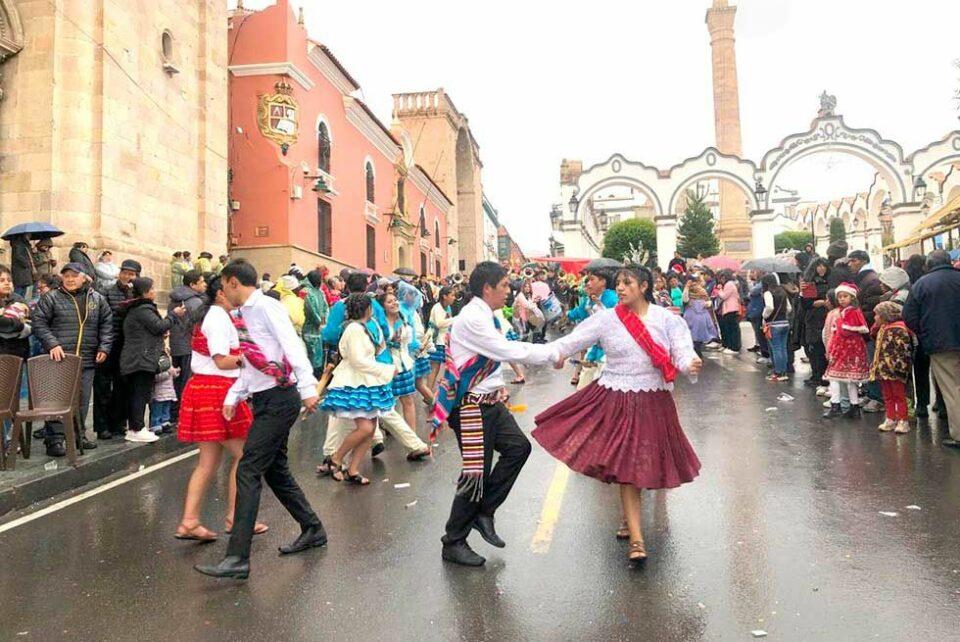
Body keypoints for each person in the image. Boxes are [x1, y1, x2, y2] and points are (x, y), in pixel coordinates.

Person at [532, 264, 702, 562]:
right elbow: (571, 342)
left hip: (654, 400)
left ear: (644, 286)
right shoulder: (606, 320)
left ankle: (629, 517)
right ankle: (637, 538)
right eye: (619, 283)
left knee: (645, 462)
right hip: (617, 399)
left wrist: (690, 363)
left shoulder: (667, 320)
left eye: (627, 283)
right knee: (629, 464)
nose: (620, 288)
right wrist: (548, 354)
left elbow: (682, 351)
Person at [194, 260, 325, 580]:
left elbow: (290, 346)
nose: (221, 292)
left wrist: (308, 387)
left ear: (234, 282)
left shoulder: (266, 308)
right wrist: (234, 395)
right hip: (266, 399)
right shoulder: (243, 315)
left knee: (249, 468)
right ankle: (313, 528)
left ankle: (237, 556)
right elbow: (255, 361)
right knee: (275, 471)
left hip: (281, 400)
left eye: (223, 286)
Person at [433, 262, 562, 567]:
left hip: (490, 401)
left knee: (518, 448)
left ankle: (484, 512)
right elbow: (508, 350)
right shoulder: (472, 319)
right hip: (471, 406)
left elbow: (498, 354)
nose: (509, 290)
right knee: (475, 473)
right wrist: (554, 352)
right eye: (504, 285)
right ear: (487, 288)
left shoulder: (486, 315)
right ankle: (453, 540)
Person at [176, 275, 260, 543]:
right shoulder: (218, 318)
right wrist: (252, 360)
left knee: (208, 462)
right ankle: (235, 517)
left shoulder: (214, 316)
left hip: (205, 389)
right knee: (244, 456)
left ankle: (190, 520)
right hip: (218, 391)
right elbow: (223, 361)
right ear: (221, 293)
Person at [32, 263, 113, 456]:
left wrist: (104, 347)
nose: (69, 279)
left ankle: (78, 435)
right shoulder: (51, 297)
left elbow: (106, 324)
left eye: (74, 275)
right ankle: (55, 439)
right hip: (59, 359)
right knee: (58, 401)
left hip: (86, 359)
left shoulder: (97, 299)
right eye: (66, 275)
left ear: (84, 277)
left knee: (82, 400)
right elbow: (39, 322)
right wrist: (52, 343)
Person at [319, 294, 400, 485]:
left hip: (365, 382)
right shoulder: (354, 329)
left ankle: (353, 469)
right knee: (365, 428)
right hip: (354, 383)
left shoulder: (362, 327)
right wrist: (386, 369)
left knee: (370, 429)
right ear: (367, 309)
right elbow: (358, 361)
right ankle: (336, 459)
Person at [903, 250, 960, 447]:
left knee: (952, 388)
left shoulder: (921, 284)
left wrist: (924, 333)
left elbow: (909, 315)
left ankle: (959, 434)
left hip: (940, 343)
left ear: (928, 265)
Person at [119, 277, 184, 443]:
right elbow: (158, 326)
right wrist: (173, 315)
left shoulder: (138, 309)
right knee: (139, 394)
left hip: (138, 358)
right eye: (152, 288)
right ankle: (136, 428)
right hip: (141, 359)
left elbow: (152, 330)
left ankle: (136, 427)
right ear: (145, 292)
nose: (154, 291)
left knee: (138, 394)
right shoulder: (143, 310)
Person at [92, 259, 140, 440]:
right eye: (125, 272)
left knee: (123, 387)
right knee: (103, 387)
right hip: (108, 343)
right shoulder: (107, 292)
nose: (127, 276)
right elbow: (103, 318)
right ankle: (102, 426)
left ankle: (118, 423)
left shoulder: (136, 294)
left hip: (127, 346)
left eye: (132, 274)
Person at [566, 264, 619, 390]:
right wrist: (567, 315)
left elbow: (613, 324)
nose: (588, 283)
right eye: (587, 280)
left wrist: (598, 304)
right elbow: (580, 312)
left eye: (591, 279)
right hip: (595, 346)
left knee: (600, 387)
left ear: (603, 282)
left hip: (609, 350)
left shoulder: (612, 298)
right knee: (583, 385)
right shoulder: (589, 299)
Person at [823, 283, 870, 419]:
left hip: (847, 349)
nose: (842, 299)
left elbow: (845, 331)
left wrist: (840, 326)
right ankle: (853, 407)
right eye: (840, 297)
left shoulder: (851, 312)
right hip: (845, 349)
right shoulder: (845, 312)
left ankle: (836, 405)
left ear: (852, 297)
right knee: (849, 380)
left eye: (845, 296)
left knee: (835, 377)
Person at [847, 250, 885, 413]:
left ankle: (877, 397)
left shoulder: (871, 280)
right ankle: (871, 394)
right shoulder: (864, 279)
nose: (850, 264)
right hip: (865, 330)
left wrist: (858, 320)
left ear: (863, 261)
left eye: (853, 261)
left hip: (869, 331)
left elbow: (871, 309)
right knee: (868, 362)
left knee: (873, 363)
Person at [168, 270, 206, 426]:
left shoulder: (174, 299)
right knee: (187, 382)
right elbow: (200, 326)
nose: (204, 284)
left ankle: (173, 413)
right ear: (192, 284)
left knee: (176, 381)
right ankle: (184, 415)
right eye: (202, 281)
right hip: (189, 345)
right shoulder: (196, 302)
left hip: (176, 344)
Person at [870, 301, 915, 434]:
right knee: (887, 395)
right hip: (882, 368)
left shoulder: (899, 329)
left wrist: (900, 367)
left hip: (895, 369)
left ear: (885, 315)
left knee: (899, 395)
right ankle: (890, 418)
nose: (874, 318)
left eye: (877, 315)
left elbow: (903, 350)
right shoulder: (882, 328)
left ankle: (903, 420)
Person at [801, 258, 831, 389]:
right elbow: (806, 304)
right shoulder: (810, 284)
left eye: (824, 266)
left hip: (826, 317)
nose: (822, 269)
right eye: (819, 266)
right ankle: (817, 375)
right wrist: (817, 303)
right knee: (815, 348)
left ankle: (823, 376)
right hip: (814, 319)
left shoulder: (831, 281)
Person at [761, 274, 792, 382]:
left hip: (773, 324)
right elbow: (789, 308)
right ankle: (783, 372)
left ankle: (778, 372)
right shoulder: (783, 291)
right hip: (785, 323)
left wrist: (764, 316)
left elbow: (769, 307)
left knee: (776, 349)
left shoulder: (768, 293)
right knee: (783, 348)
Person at [301, 269, 328, 378]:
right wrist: (319, 322)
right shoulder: (305, 292)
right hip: (310, 330)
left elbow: (326, 308)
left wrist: (325, 321)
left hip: (320, 330)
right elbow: (310, 310)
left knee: (319, 360)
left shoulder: (320, 292)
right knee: (311, 358)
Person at [427, 286, 455, 390]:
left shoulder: (448, 308)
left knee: (439, 368)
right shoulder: (437, 307)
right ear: (444, 296)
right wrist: (454, 319)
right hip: (436, 341)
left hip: (444, 340)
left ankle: (431, 391)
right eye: (452, 295)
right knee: (435, 367)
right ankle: (428, 393)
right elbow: (439, 323)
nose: (454, 297)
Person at [683, 278, 717, 357]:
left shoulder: (702, 291)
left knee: (700, 336)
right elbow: (685, 300)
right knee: (691, 336)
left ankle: (698, 352)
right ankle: (695, 353)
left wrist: (706, 303)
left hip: (701, 317)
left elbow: (709, 301)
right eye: (692, 284)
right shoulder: (688, 292)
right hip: (690, 317)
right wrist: (686, 287)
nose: (694, 286)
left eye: (696, 284)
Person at [150, 355, 179, 435]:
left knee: (166, 409)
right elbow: (156, 378)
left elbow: (173, 374)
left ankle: (165, 422)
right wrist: (168, 373)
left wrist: (175, 372)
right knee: (157, 410)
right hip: (159, 393)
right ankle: (156, 424)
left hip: (168, 392)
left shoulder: (169, 363)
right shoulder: (158, 364)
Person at [716, 270, 742, 355]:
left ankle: (734, 347)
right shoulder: (731, 284)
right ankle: (731, 346)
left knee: (732, 329)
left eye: (722, 278)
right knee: (731, 328)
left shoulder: (729, 284)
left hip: (730, 309)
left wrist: (719, 290)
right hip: (730, 309)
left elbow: (724, 296)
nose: (721, 280)